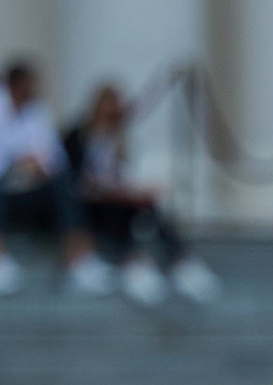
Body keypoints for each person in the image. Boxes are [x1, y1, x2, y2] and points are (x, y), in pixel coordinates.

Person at [65, 82, 217, 304]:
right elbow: (74, 179)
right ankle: (134, 261)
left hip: (114, 199)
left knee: (147, 206)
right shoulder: (78, 137)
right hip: (87, 205)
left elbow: (121, 177)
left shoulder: (120, 139)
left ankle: (181, 261)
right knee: (123, 207)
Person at [0, 61, 102, 295]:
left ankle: (78, 258)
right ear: (13, 85)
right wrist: (18, 161)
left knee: (64, 183)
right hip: (5, 189)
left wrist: (39, 165)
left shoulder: (38, 112)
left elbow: (56, 158)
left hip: (30, 189)